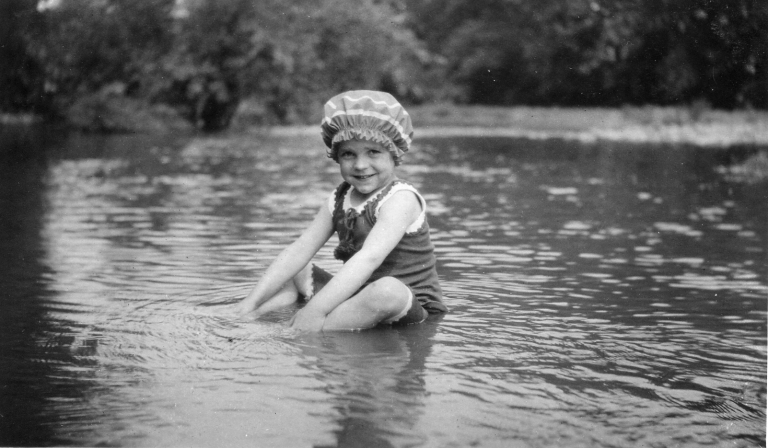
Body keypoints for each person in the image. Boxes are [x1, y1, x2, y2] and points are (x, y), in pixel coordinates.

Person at [237, 90, 447, 331]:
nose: (360, 165)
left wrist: (315, 309)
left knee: (387, 290)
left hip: (405, 305)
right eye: (349, 154)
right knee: (296, 268)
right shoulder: (339, 198)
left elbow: (369, 258)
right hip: (358, 298)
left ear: (394, 154)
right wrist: (248, 303)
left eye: (373, 152)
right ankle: (250, 316)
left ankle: (298, 330)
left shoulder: (401, 199)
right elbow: (300, 249)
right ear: (337, 156)